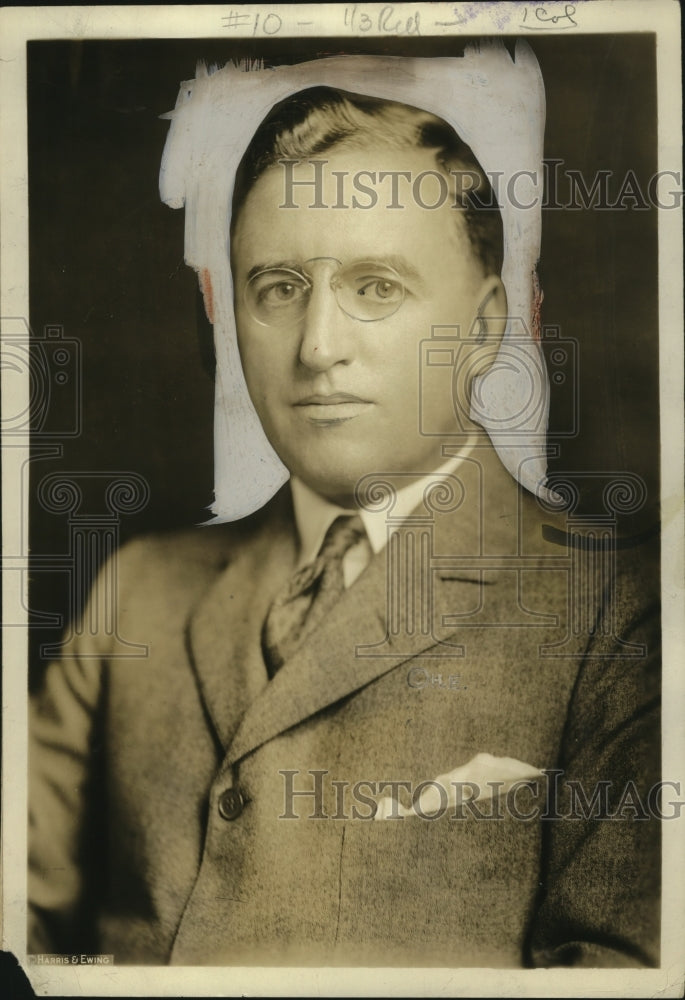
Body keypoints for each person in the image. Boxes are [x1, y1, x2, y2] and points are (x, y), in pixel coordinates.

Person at [28, 47, 660, 968]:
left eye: (375, 289)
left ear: (484, 328)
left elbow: (621, 975)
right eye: (278, 290)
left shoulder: (621, 615)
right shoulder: (138, 590)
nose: (318, 347)